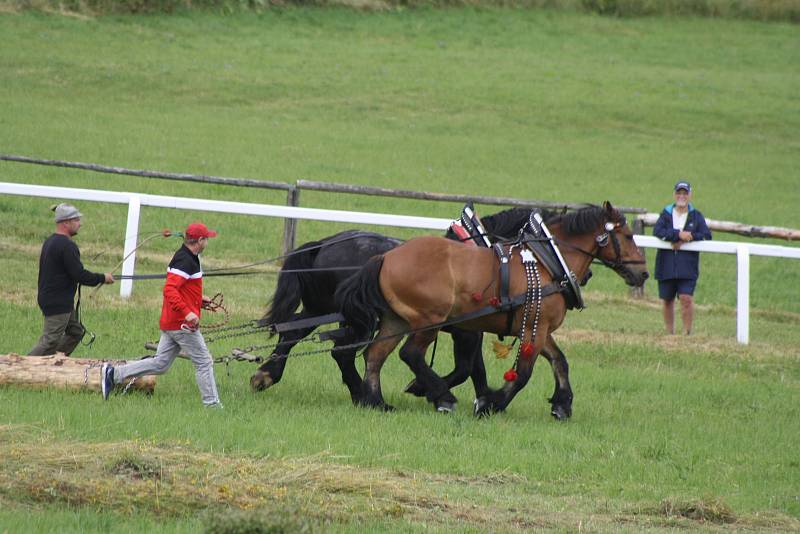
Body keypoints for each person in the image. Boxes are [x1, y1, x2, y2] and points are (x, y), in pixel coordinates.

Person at [102, 222, 222, 408]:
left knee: (160, 364)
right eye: (206, 239)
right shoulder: (185, 260)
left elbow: (183, 288)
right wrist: (188, 312)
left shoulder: (189, 256)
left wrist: (198, 300)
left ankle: (113, 374)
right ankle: (212, 405)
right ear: (199, 240)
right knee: (204, 362)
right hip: (181, 324)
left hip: (171, 322)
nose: (207, 242)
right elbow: (170, 290)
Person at [29, 203, 114, 356]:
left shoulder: (51, 241)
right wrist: (103, 278)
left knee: (76, 331)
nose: (80, 224)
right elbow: (79, 275)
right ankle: (22, 366)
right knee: (50, 341)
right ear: (66, 222)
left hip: (57, 299)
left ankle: (54, 362)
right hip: (57, 301)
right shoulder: (67, 246)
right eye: (76, 220)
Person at [653, 181, 712, 335]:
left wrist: (688, 237)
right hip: (666, 264)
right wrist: (677, 235)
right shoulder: (666, 213)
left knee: (686, 298)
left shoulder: (696, 216)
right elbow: (658, 231)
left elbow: (706, 235)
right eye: (679, 193)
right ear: (674, 195)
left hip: (688, 266)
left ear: (690, 195)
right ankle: (669, 333)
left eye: (685, 193)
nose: (682, 196)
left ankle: (686, 333)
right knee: (667, 300)